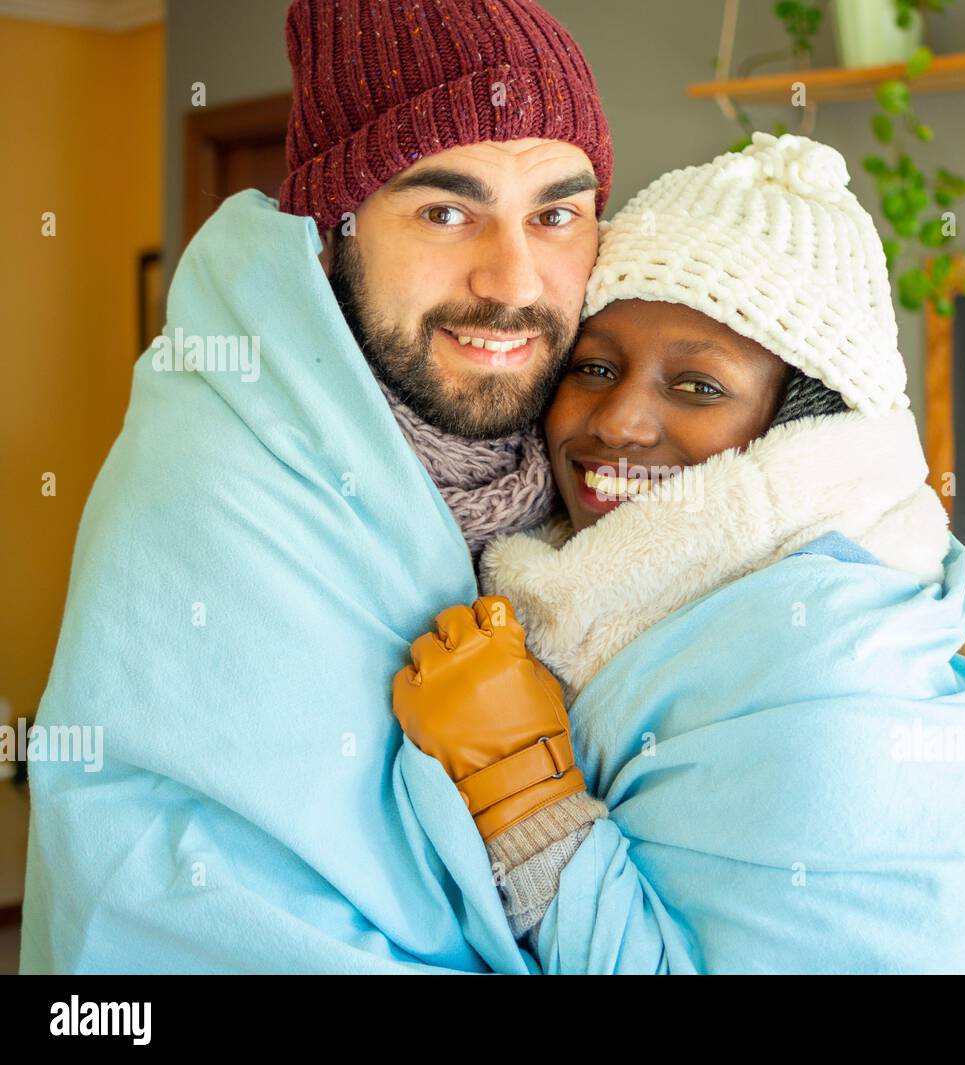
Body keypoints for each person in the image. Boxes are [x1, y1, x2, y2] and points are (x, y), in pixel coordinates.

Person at [21, 0, 613, 974]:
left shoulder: (577, 470)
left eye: (555, 214)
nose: (512, 281)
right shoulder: (214, 491)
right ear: (334, 226)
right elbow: (181, 914)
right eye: (445, 210)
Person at [390, 134, 965, 973]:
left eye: (698, 386)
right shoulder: (591, 586)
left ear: (801, 430)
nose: (617, 421)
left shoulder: (839, 687)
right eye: (593, 366)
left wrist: (520, 786)